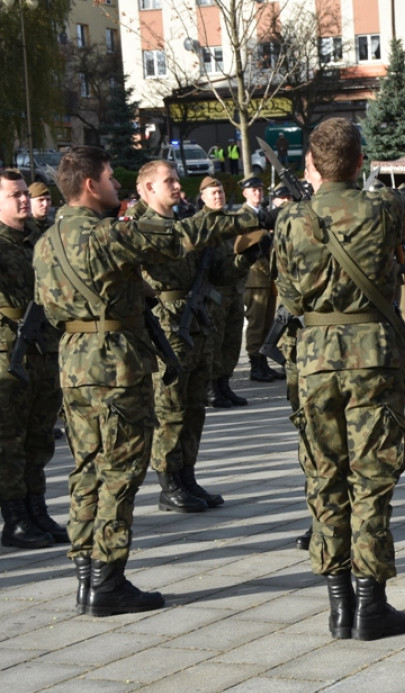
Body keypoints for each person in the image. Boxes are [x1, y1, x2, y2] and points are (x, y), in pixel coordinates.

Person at [33, 146, 262, 616]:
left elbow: (48, 307)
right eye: (111, 178)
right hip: (115, 365)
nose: (117, 185)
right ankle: (108, 583)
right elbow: (179, 237)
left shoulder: (45, 242)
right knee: (119, 475)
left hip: (74, 365)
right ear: (91, 185)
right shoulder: (104, 236)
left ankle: (87, 576)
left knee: (86, 470)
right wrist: (245, 218)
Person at [274, 117, 405, 641]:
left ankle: (338, 606)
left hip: (314, 362)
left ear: (311, 164)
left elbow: (289, 298)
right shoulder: (381, 208)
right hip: (373, 360)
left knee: (324, 479)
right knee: (371, 482)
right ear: (360, 162)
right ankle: (371, 604)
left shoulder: (291, 220)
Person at [135, 161, 232, 513]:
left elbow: (218, 272)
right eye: (169, 181)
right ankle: (168, 481)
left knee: (194, 406)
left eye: (177, 180)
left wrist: (246, 257)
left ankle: (187, 475)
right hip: (168, 324)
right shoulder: (141, 228)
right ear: (147, 189)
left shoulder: (183, 224)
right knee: (170, 406)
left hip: (197, 320)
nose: (177, 186)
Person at [0, 170, 65, 550]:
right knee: (9, 438)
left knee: (40, 435)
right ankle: (14, 518)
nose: (24, 200)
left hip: (43, 347)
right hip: (9, 352)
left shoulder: (38, 240)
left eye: (25, 193)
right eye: (14, 195)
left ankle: (37, 509)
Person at [201, 177, 252, 409]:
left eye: (220, 192)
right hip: (213, 295)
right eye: (213, 193)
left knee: (232, 340)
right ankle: (212, 387)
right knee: (215, 341)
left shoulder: (232, 222)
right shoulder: (199, 224)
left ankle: (225, 384)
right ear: (203, 197)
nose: (218, 196)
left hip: (233, 290)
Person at [240, 176, 285, 383]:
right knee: (257, 324)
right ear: (245, 193)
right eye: (253, 190)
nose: (258, 193)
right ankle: (255, 366)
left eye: (259, 189)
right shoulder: (244, 216)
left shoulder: (262, 214)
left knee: (267, 323)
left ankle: (264, 364)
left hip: (267, 278)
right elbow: (248, 248)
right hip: (255, 278)